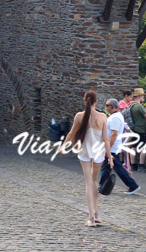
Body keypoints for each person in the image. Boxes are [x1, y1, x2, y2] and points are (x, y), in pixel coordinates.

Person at [64, 90, 111, 227]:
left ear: (85, 101)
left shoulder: (80, 116)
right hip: (99, 153)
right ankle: (97, 214)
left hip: (85, 151)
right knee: (94, 181)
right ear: (96, 101)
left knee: (88, 183)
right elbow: (106, 139)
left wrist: (63, 147)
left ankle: (90, 217)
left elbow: (71, 134)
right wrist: (110, 157)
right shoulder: (103, 117)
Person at [99, 98, 140, 195]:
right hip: (112, 147)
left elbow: (114, 134)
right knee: (106, 167)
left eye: (107, 105)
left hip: (113, 148)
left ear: (112, 107)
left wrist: (108, 148)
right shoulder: (114, 116)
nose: (105, 107)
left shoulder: (115, 118)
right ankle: (102, 185)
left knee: (118, 168)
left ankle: (133, 185)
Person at [128, 87, 146, 172]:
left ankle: (133, 165)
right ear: (139, 96)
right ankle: (141, 165)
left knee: (134, 147)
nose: (143, 98)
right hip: (141, 129)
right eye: (143, 96)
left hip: (134, 129)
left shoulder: (132, 105)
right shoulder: (139, 106)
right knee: (144, 147)